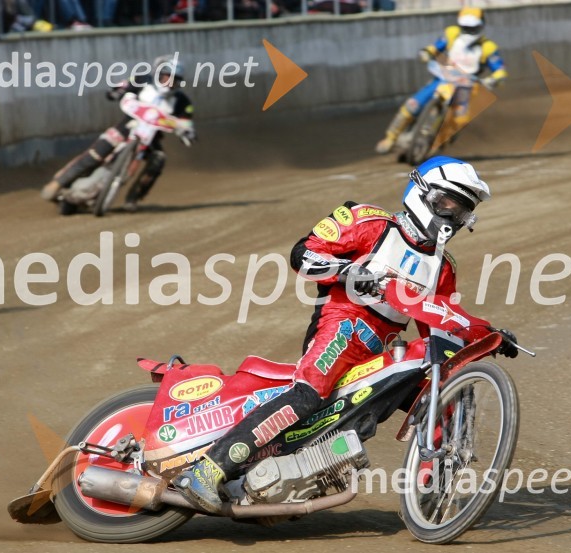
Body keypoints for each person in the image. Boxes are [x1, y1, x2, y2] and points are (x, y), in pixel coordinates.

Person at [174, 155, 518, 513]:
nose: (453, 216)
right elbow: (302, 253)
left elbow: (438, 324)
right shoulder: (369, 221)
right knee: (308, 397)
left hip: (385, 353)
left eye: (462, 210)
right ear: (423, 193)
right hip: (342, 326)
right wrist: (348, 271)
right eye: (448, 203)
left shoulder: (443, 267)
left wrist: (486, 335)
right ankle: (206, 471)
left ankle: (431, 490)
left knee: (446, 388)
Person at [40, 55, 196, 211]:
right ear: (158, 73)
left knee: (159, 159)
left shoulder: (181, 101)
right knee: (97, 152)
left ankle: (133, 198)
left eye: (175, 79)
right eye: (167, 77)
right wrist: (117, 91)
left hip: (150, 139)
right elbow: (121, 86)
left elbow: (186, 121)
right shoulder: (142, 80)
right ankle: (58, 183)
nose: (169, 83)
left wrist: (187, 132)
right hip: (126, 127)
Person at [376, 7, 508, 154]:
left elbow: (499, 70)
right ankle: (390, 138)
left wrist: (493, 79)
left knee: (460, 120)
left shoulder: (488, 48)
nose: (469, 31)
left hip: (467, 86)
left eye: (473, 27)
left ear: (481, 25)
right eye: (465, 27)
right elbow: (435, 47)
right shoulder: (451, 34)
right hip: (444, 78)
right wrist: (427, 52)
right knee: (412, 104)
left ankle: (439, 142)